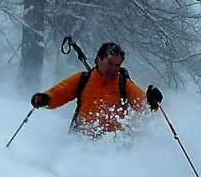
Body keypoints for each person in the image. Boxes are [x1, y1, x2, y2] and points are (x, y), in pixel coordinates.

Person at [30, 42, 163, 136]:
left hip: (114, 144)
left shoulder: (123, 84)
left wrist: (152, 101)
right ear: (99, 60)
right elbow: (59, 93)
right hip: (81, 138)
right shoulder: (83, 79)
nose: (113, 69)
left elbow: (143, 106)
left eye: (117, 65)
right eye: (110, 63)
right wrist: (45, 99)